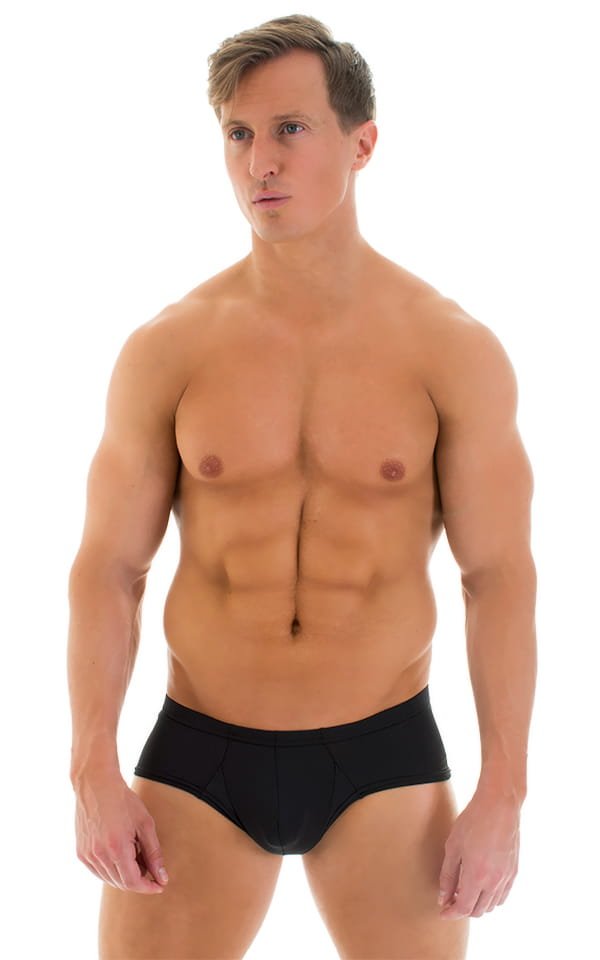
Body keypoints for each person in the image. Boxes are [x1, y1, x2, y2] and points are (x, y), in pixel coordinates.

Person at [67, 13, 537, 960]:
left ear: (362, 143)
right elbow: (109, 568)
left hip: (384, 759)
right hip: (200, 757)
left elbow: (498, 578)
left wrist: (504, 794)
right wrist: (91, 773)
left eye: (291, 128)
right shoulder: (170, 347)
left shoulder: (450, 350)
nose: (260, 163)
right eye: (238, 134)